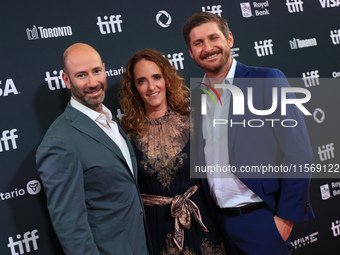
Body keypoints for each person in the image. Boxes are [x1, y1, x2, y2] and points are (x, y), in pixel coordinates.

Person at [183, 12, 314, 255]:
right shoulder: (196, 96)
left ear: (229, 39)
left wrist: (284, 220)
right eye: (198, 43)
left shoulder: (266, 79)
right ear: (190, 53)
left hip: (262, 220)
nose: (208, 48)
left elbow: (299, 152)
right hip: (220, 225)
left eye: (214, 38)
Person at [36, 43, 151, 255]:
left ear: (104, 69)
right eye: (81, 75)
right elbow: (71, 229)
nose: (93, 82)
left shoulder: (109, 119)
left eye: (97, 71)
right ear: (66, 80)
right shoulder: (59, 142)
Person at [119, 49, 225, 255]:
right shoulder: (125, 135)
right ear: (133, 88)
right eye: (142, 81)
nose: (151, 87)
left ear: (167, 79)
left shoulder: (193, 120)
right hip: (157, 226)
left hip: (202, 218)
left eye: (156, 77)